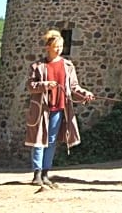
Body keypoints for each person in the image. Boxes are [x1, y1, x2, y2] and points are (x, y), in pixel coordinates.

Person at [25, 30, 95, 186]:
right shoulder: (37, 66)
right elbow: (30, 86)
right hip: (41, 109)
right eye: (56, 46)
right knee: (38, 140)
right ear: (48, 47)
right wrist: (45, 85)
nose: (59, 49)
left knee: (51, 141)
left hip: (59, 108)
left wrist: (85, 94)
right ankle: (36, 173)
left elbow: (74, 86)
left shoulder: (67, 66)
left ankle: (45, 173)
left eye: (61, 46)